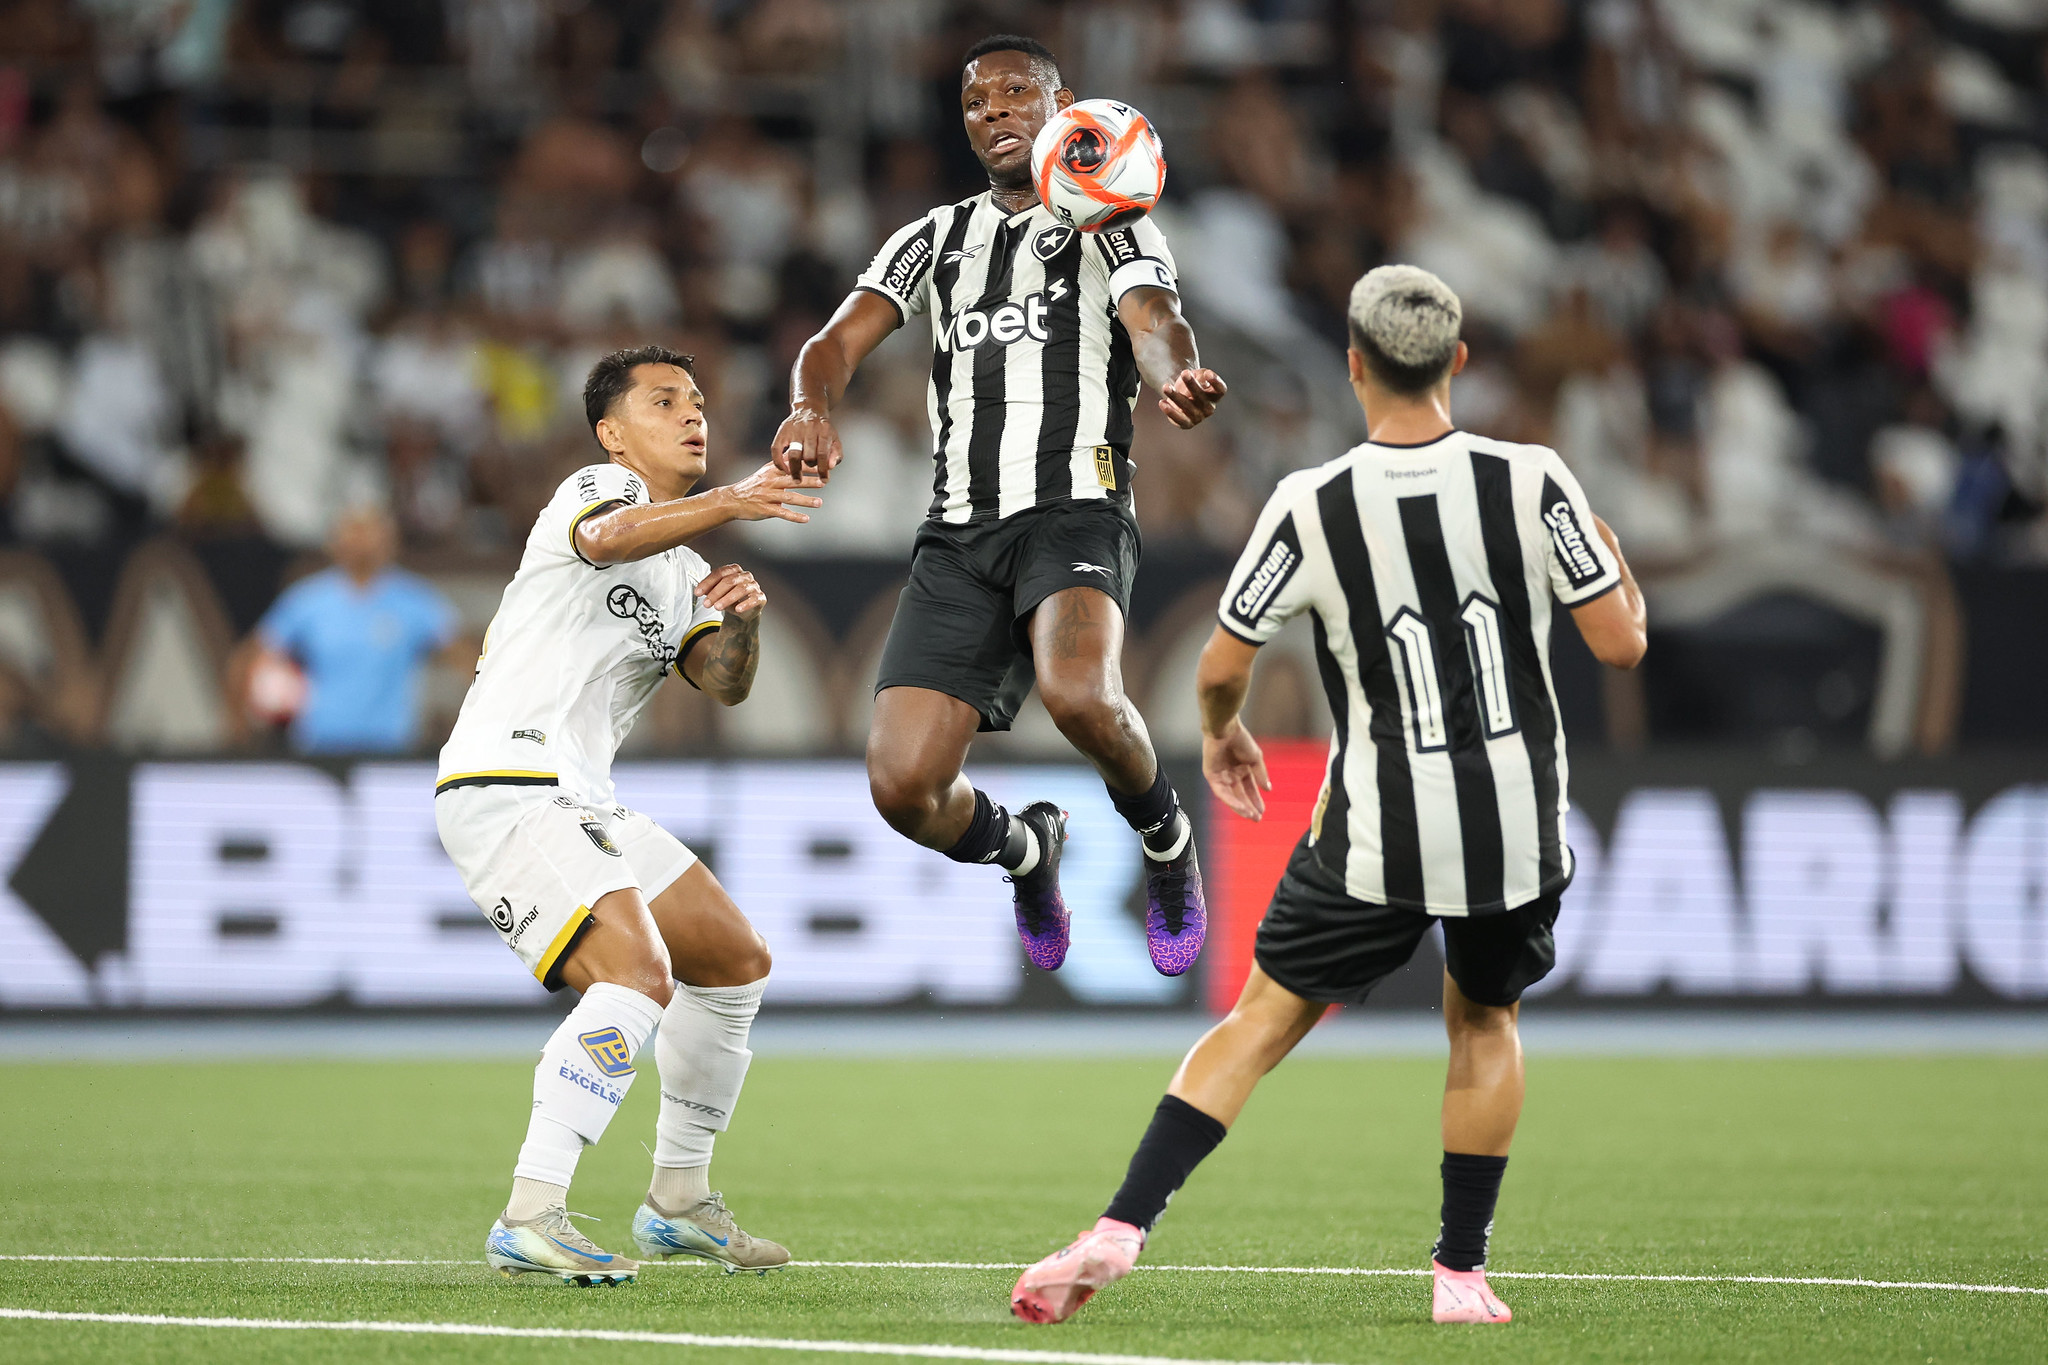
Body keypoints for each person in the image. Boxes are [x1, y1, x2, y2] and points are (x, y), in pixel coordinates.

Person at [1009, 266, 1649, 1325]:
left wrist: (1222, 733)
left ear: (1351, 366)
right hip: (1512, 825)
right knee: (1483, 1024)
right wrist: (1616, 566)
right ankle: (1458, 1276)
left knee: (1256, 1023)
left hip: (1374, 831)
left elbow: (1222, 659)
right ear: (1456, 362)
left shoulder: (1310, 502)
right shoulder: (1533, 480)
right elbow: (1620, 645)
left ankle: (1119, 1228)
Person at [774, 34, 1228, 978]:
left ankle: (1166, 842)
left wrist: (1176, 375)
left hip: (1076, 506)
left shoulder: (1111, 222)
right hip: (959, 530)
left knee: (1077, 692)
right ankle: (1029, 851)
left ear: (1063, 105)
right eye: (977, 102)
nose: (994, 113)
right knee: (902, 786)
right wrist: (809, 406)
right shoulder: (934, 237)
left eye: (1016, 93)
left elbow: (1155, 322)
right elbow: (831, 343)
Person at [434, 344, 826, 1285]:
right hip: (506, 780)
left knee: (733, 959)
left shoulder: (681, 562)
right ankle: (532, 1210)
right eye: (665, 401)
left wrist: (744, 622)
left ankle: (678, 1198)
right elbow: (606, 541)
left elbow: (719, 683)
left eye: (697, 399)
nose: (693, 414)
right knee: (636, 975)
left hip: (581, 799)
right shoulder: (591, 489)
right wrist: (735, 498)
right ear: (613, 431)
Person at [251, 505, 460, 754]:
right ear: (334, 542)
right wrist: (243, 723)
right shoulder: (308, 600)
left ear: (390, 542)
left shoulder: (415, 601)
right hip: (321, 744)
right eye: (353, 532)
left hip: (391, 747)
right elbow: (257, 656)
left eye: (369, 532)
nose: (360, 543)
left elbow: (464, 656)